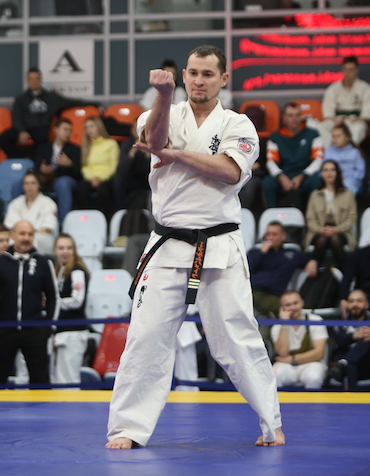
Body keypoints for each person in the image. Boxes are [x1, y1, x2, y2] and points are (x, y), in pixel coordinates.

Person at [106, 45, 284, 449]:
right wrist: (164, 95)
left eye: (207, 74)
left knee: (237, 338)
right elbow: (153, 140)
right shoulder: (161, 111)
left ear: (223, 79)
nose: (199, 80)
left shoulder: (238, 124)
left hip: (218, 243)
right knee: (145, 338)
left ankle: (271, 423)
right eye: (192, 73)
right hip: (168, 242)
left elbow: (229, 171)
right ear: (183, 76)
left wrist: (175, 155)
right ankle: (128, 428)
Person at [0, 220, 58, 385]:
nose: (26, 238)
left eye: (30, 234)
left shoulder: (43, 262)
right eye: (22, 233)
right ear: (12, 235)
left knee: (40, 380)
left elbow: (53, 296)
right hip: (5, 329)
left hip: (35, 330)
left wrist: (48, 326)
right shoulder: (0, 262)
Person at [0, 67, 101, 158]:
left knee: (41, 141)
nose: (34, 81)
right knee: (2, 139)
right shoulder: (20, 99)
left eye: (36, 78)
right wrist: (21, 131)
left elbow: (72, 102)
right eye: (31, 79)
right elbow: (16, 117)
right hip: (24, 128)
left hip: (40, 130)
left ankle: (33, 162)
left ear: (40, 80)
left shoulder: (51, 98)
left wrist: (96, 104)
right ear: (27, 80)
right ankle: (20, 159)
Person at [248, 221, 317, 320]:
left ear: (283, 236)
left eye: (274, 234)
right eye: (268, 234)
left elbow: (308, 260)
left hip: (279, 294)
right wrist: (261, 252)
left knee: (290, 306)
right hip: (256, 292)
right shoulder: (255, 253)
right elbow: (247, 269)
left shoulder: (291, 254)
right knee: (287, 310)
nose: (270, 238)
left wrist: (312, 262)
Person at [263, 102, 323, 208]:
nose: (294, 119)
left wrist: (303, 175)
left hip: (305, 174)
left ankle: (311, 215)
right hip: (284, 173)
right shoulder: (275, 137)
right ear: (284, 117)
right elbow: (271, 161)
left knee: (315, 182)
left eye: (297, 115)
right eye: (290, 115)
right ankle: (271, 214)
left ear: (301, 116)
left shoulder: (313, 134)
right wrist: (281, 176)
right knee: (268, 183)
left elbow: (318, 159)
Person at [52, 233, 90, 385]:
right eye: (61, 248)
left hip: (73, 333)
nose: (65, 251)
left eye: (69, 248)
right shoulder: (60, 270)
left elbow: (77, 301)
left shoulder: (77, 270)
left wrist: (53, 303)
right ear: (55, 250)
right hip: (63, 332)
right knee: (60, 381)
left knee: (69, 381)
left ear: (74, 250)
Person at [305, 160, 357, 270]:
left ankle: (344, 272)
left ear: (337, 172)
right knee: (323, 238)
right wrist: (321, 229)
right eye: (326, 170)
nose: (329, 173)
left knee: (334, 238)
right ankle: (315, 272)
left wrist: (337, 229)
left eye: (333, 170)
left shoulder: (347, 194)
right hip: (319, 231)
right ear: (321, 174)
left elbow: (352, 218)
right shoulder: (315, 195)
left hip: (341, 231)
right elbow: (310, 219)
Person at [271, 290, 328, 389]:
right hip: (287, 365)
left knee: (314, 377)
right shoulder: (277, 327)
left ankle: (313, 400)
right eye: (288, 305)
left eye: (295, 303)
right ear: (282, 308)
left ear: (302, 302)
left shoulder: (316, 320)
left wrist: (292, 359)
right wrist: (284, 324)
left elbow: (319, 353)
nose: (293, 307)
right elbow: (282, 353)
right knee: (275, 375)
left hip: (311, 363)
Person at [316, 56, 370, 150]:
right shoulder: (333, 88)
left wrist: (350, 120)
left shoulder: (365, 88)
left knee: (358, 128)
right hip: (338, 120)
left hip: (356, 121)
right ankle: (331, 153)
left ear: (356, 70)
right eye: (346, 69)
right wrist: (337, 121)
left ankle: (349, 153)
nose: (348, 73)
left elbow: (367, 116)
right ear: (342, 70)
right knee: (322, 126)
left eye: (351, 69)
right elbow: (328, 114)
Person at [328, 290, 370, 390]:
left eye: (359, 301)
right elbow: (339, 340)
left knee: (369, 335)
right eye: (351, 301)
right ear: (347, 305)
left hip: (367, 367)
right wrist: (354, 336)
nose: (355, 304)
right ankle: (345, 364)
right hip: (342, 371)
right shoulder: (339, 323)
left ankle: (344, 363)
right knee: (351, 364)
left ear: (367, 305)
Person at [33, 118, 82, 224]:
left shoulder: (75, 149)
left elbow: (79, 174)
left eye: (70, 130)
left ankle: (63, 223)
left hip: (65, 180)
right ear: (56, 130)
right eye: (65, 129)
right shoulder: (43, 147)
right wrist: (42, 170)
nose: (68, 133)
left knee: (62, 183)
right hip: (45, 179)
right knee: (20, 183)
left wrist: (70, 164)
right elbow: (36, 166)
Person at [75, 116, 120, 220]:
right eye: (86, 127)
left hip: (106, 177)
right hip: (91, 178)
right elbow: (85, 166)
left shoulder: (111, 144)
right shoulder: (86, 146)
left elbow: (113, 166)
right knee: (81, 189)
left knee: (103, 191)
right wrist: (91, 178)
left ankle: (103, 220)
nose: (89, 130)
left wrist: (101, 178)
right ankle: (85, 219)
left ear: (99, 127)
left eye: (91, 126)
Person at [4, 171, 58, 256]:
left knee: (32, 240)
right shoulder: (15, 203)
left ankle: (32, 261)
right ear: (23, 186)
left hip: (44, 238)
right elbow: (10, 225)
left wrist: (29, 235)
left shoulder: (49, 203)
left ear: (39, 185)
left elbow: (48, 228)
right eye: (26, 183)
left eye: (33, 183)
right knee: (9, 240)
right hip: (20, 236)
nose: (30, 186)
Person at [323, 123, 365, 196]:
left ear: (347, 137)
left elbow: (361, 173)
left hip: (351, 181)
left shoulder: (355, 153)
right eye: (333, 136)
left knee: (347, 184)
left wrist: (346, 175)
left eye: (338, 136)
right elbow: (321, 172)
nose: (335, 139)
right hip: (331, 181)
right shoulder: (327, 153)